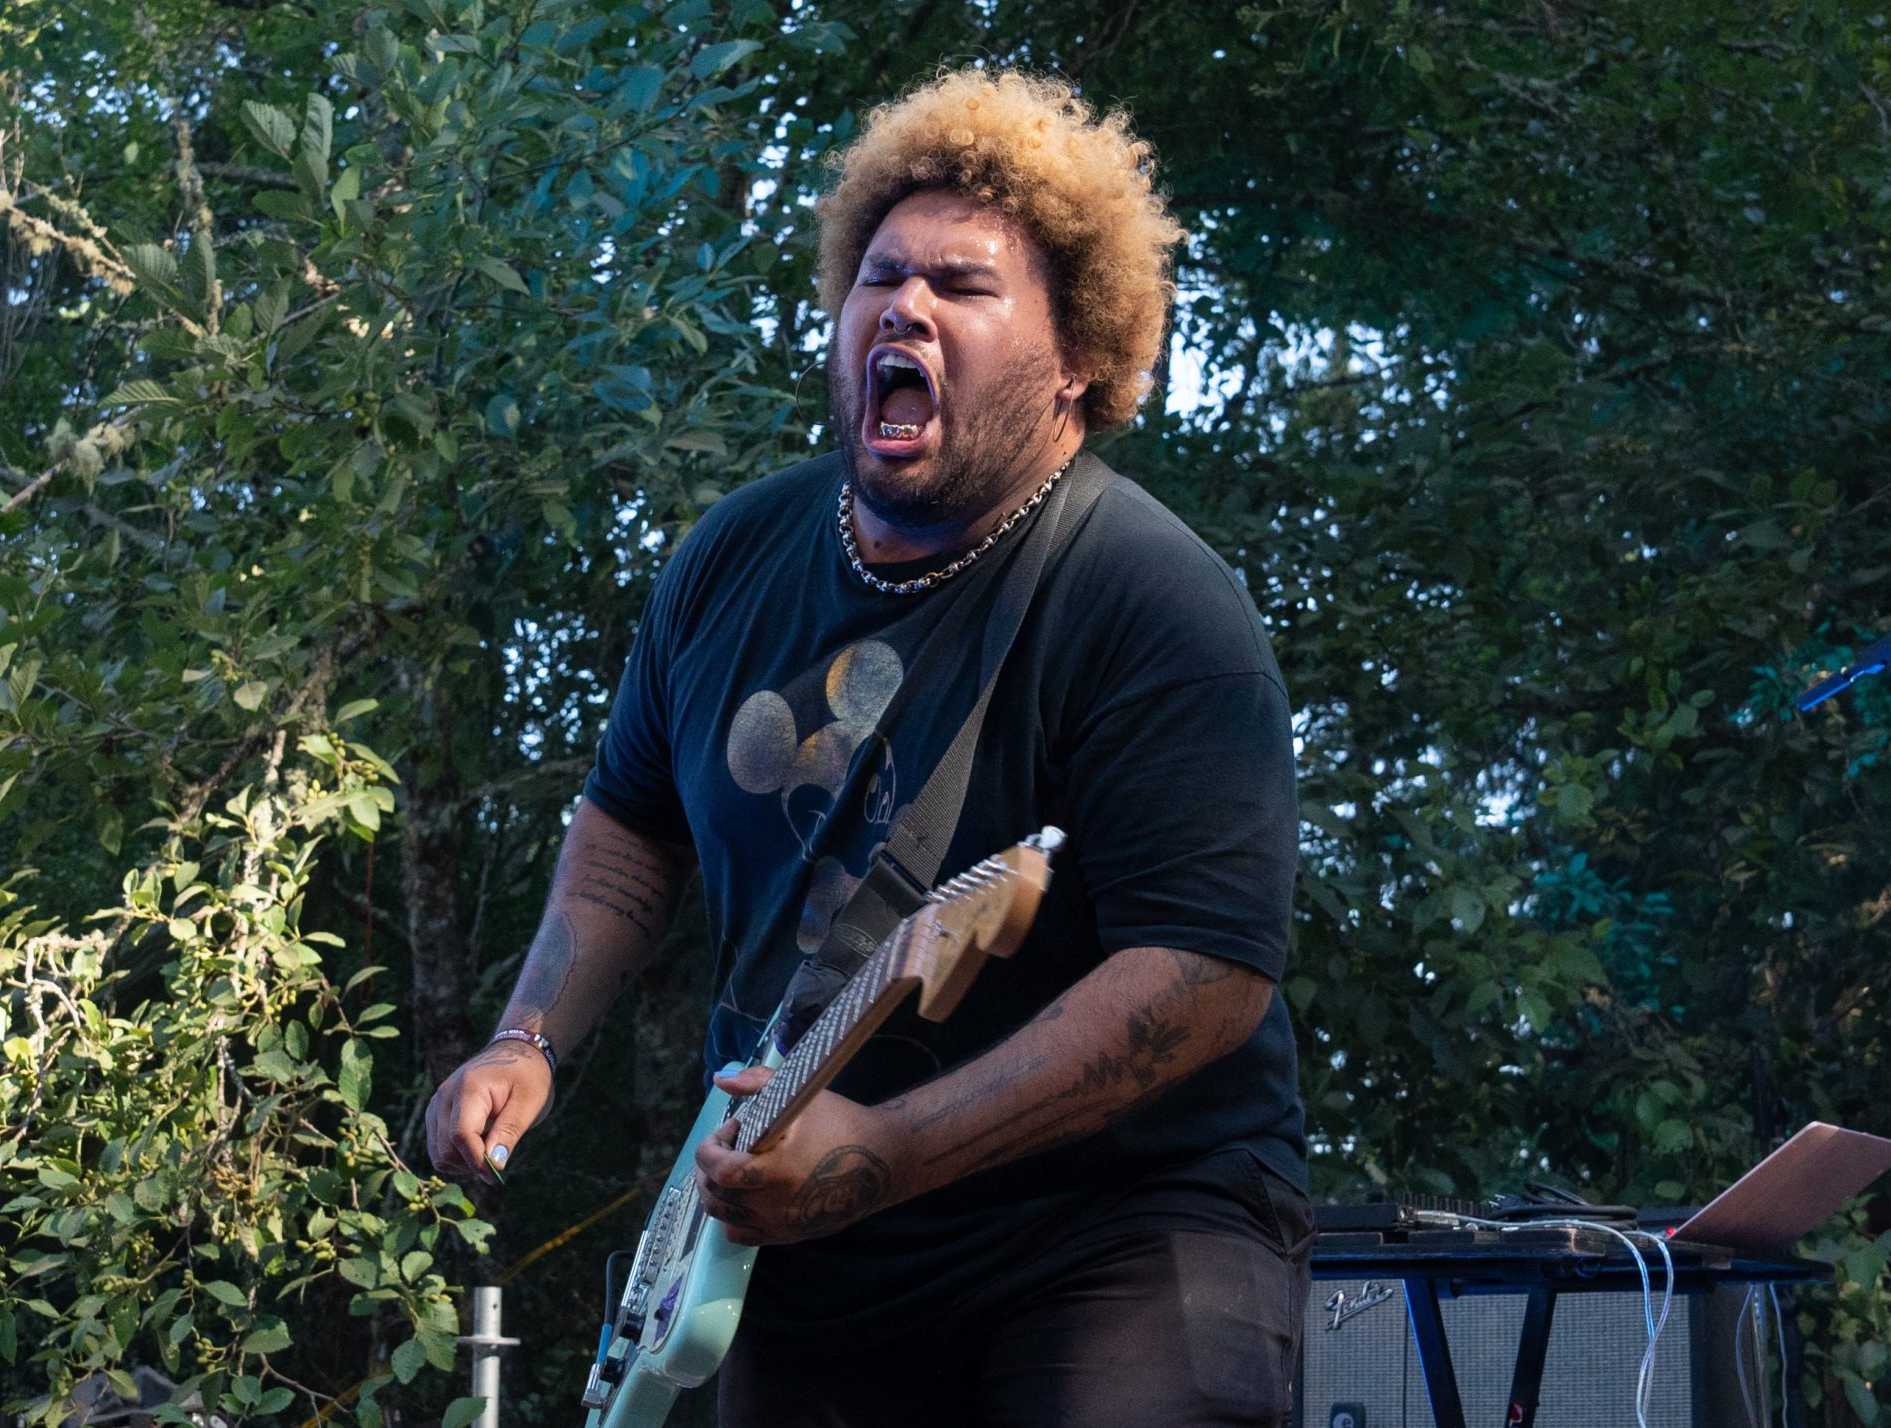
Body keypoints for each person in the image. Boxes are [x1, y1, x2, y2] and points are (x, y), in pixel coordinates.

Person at [423, 68, 1309, 1426]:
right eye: (880, 277)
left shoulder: (1155, 601)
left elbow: (1204, 976)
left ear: (1078, 355)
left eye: (962, 285)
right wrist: (528, 1036)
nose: (904, 307)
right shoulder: (730, 560)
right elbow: (629, 824)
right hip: (798, 1233)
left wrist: (892, 1147)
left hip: (1113, 1223)